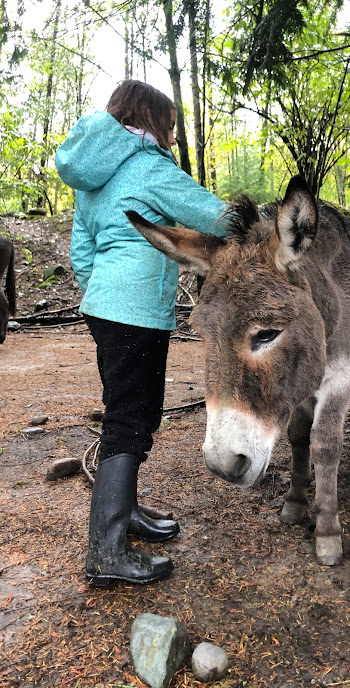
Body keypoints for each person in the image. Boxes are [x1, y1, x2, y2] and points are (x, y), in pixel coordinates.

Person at [55, 79, 228, 586]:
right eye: (170, 128)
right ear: (150, 120)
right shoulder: (149, 168)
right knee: (132, 416)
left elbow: (81, 252)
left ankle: (124, 512)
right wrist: (264, 223)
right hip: (134, 311)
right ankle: (106, 551)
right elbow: (212, 216)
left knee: (124, 408)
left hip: (104, 307)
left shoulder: (94, 179)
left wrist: (102, 296)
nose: (173, 139)